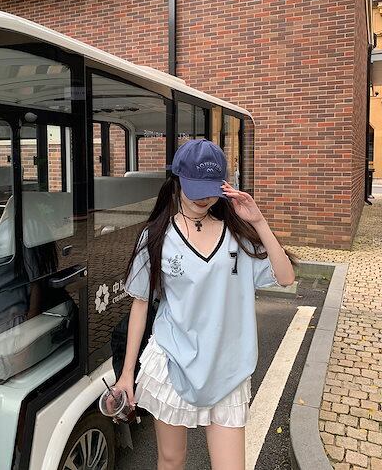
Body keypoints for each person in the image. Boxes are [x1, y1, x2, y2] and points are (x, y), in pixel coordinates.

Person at [113, 139, 296, 470]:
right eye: (195, 188)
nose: (203, 198)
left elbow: (285, 277)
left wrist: (258, 221)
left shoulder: (237, 234)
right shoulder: (156, 236)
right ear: (177, 180)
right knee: (172, 460)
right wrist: (127, 375)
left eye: (210, 189)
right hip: (172, 361)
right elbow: (140, 305)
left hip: (229, 368)